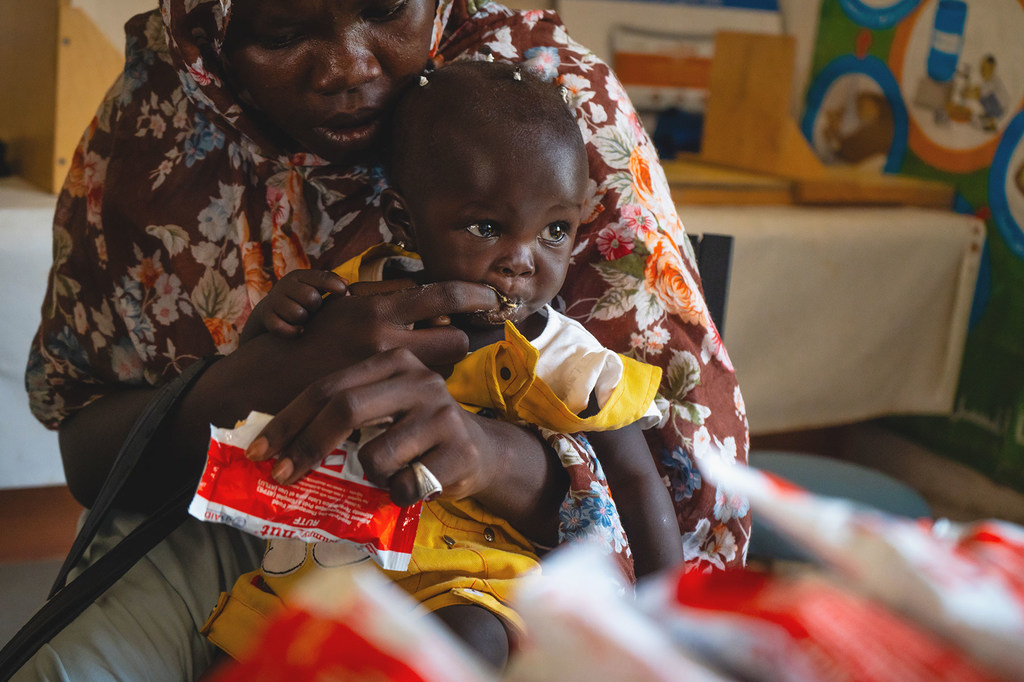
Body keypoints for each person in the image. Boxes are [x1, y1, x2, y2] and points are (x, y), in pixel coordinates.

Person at [20, 0, 748, 679]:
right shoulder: (161, 116)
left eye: (387, 8)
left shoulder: (549, 111)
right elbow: (92, 453)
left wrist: (492, 456)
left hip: (491, 562)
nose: (348, 68)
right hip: (237, 528)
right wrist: (255, 377)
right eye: (281, 34)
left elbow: (675, 500)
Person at [215, 59, 684, 668]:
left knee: (469, 641)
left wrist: (671, 623)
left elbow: (637, 479)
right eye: (487, 227)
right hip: (321, 570)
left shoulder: (569, 359)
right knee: (237, 650)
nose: (522, 260)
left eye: (555, 231)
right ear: (406, 223)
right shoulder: (356, 302)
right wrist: (273, 322)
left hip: (467, 582)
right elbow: (261, 383)